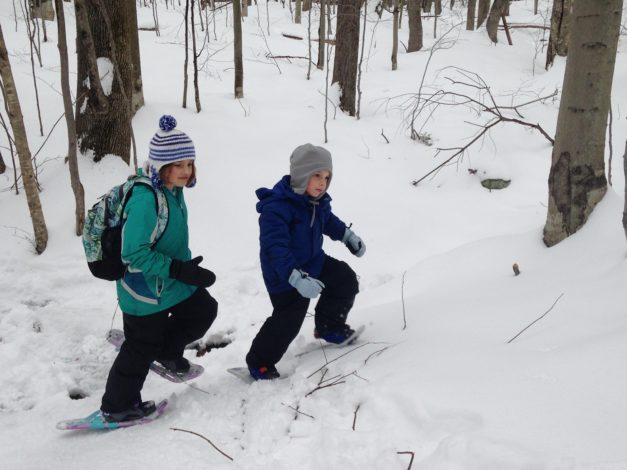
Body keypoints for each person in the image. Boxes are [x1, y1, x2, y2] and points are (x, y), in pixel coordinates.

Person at [100, 115, 218, 422]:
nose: (185, 171)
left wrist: (184, 270)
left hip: (170, 280)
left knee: (203, 310)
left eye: (189, 163)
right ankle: (118, 406)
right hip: (143, 291)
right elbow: (133, 254)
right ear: (161, 165)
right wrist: (179, 270)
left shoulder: (173, 191)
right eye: (177, 164)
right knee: (139, 347)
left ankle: (166, 352)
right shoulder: (145, 199)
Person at [245, 143, 366, 380]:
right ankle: (259, 361)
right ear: (301, 176)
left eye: (327, 176)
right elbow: (275, 249)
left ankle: (329, 327)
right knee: (288, 321)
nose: (322, 182)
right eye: (316, 176)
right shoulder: (277, 208)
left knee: (345, 279)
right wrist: (295, 278)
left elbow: (328, 220)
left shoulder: (318, 201)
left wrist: (347, 236)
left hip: (314, 262)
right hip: (284, 275)